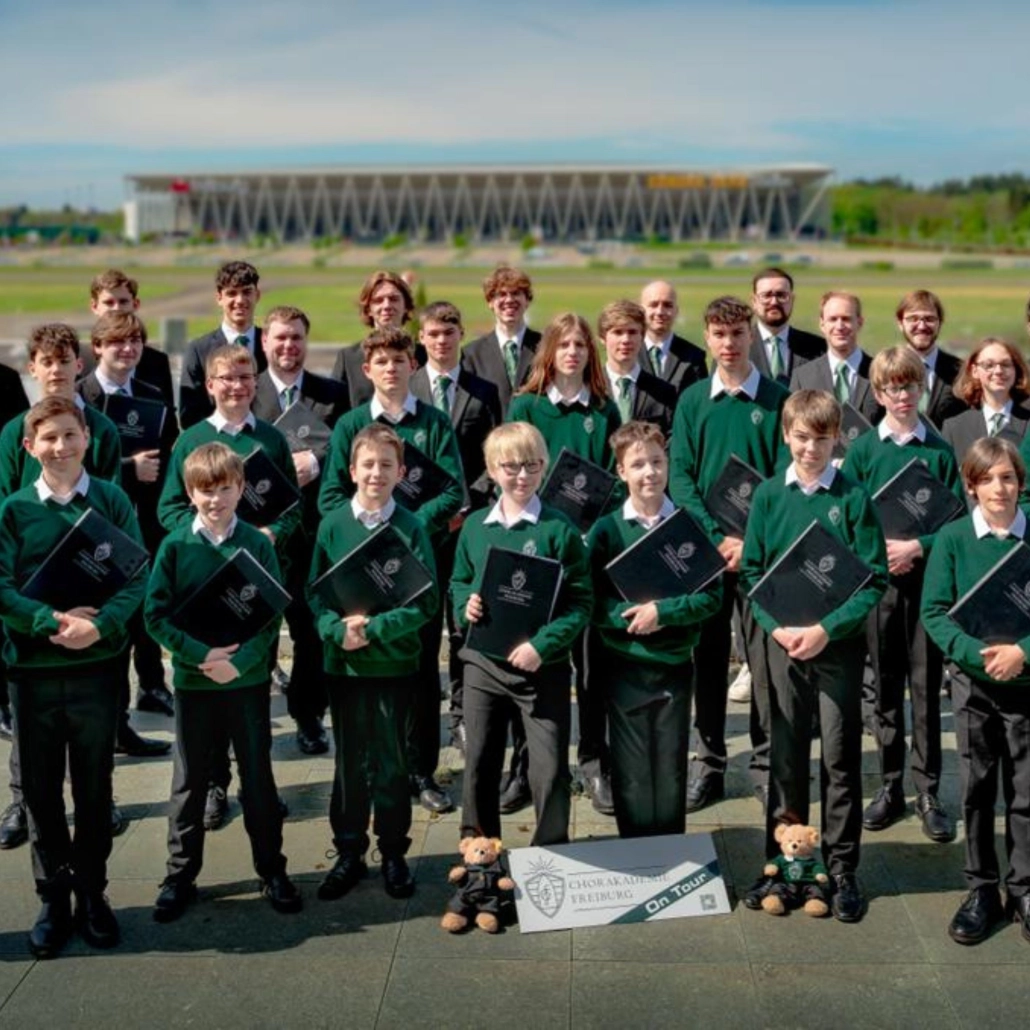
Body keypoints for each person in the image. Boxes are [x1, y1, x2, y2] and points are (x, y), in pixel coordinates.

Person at [0, 396, 147, 958]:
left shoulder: (111, 499)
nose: (60, 447)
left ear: (87, 437)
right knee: (40, 792)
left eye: (69, 435)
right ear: (29, 446)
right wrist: (50, 621)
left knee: (93, 785)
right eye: (48, 438)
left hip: (96, 668)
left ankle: (92, 893)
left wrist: (100, 625)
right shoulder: (13, 510)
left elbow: (136, 575)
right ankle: (53, 897)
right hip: (32, 671)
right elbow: (2, 587)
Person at [740, 390, 887, 923]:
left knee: (840, 758)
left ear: (836, 439)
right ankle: (785, 863)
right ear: (786, 436)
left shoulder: (853, 497)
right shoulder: (767, 496)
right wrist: (778, 630)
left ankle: (841, 868)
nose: (811, 448)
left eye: (822, 439)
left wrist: (827, 629)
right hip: (783, 647)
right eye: (801, 437)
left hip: (835, 649)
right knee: (785, 756)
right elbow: (752, 573)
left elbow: (873, 578)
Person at [145, 443, 301, 922]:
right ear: (190, 492)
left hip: (245, 683)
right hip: (194, 685)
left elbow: (270, 614)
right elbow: (155, 616)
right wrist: (199, 656)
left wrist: (243, 662)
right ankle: (179, 876)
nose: (216, 500)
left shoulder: (257, 543)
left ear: (241, 489)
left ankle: (272, 869)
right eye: (206, 491)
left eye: (226, 489)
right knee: (189, 784)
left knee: (258, 779)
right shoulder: (176, 546)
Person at [319, 326, 464, 812]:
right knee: (366, 666)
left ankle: (420, 770)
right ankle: (367, 768)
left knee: (418, 671)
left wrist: (404, 526)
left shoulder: (434, 422)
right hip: (362, 570)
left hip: (416, 567)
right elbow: (331, 495)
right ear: (367, 370)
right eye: (381, 361)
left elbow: (453, 490)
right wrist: (368, 537)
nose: (391, 369)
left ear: (413, 366)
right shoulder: (351, 425)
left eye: (400, 360)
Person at [159, 345, 301, 830]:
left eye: (245, 376)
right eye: (226, 378)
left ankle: (258, 784)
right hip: (204, 588)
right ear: (210, 385)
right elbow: (169, 508)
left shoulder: (271, 439)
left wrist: (270, 533)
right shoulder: (191, 440)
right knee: (210, 693)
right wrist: (207, 537)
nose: (236, 385)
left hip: (254, 589)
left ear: (255, 382)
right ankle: (216, 784)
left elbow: (293, 507)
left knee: (251, 689)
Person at [307, 424, 438, 901]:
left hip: (394, 665)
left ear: (401, 472)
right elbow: (315, 595)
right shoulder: (332, 525)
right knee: (349, 763)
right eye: (368, 464)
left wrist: (374, 629)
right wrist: (336, 630)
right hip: (344, 667)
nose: (376, 473)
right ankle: (348, 850)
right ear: (351, 470)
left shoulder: (411, 526)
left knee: (391, 762)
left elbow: (426, 602)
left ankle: (393, 851)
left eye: (386, 465)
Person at [669, 296, 788, 814]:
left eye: (738, 333)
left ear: (751, 336)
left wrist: (747, 542)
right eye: (719, 334)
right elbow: (681, 477)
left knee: (763, 663)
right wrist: (716, 538)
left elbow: (783, 479)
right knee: (710, 661)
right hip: (707, 555)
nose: (729, 343)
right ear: (708, 337)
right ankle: (710, 762)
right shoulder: (693, 400)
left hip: (760, 556)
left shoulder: (778, 399)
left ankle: (765, 764)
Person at [842, 346, 964, 842]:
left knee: (926, 689)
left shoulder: (938, 451)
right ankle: (890, 785)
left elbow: (956, 522)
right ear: (878, 393)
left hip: (926, 587)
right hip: (881, 587)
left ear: (922, 388)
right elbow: (849, 519)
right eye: (892, 388)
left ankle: (928, 791)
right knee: (885, 690)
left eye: (910, 386)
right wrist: (882, 552)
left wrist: (918, 546)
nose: (902, 396)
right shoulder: (863, 452)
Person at [451, 422, 593, 846]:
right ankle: (479, 853)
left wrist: (542, 646)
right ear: (492, 469)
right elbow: (459, 581)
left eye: (532, 465)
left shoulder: (559, 529)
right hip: (483, 664)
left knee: (549, 770)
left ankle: (551, 852)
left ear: (545, 466)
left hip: (542, 669)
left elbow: (580, 602)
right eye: (510, 466)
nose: (522, 476)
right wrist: (464, 606)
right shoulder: (475, 527)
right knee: (480, 761)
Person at [508, 313, 621, 812]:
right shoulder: (526, 406)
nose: (572, 352)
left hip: (588, 553)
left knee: (592, 668)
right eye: (564, 344)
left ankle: (595, 764)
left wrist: (593, 531)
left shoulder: (604, 408)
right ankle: (525, 768)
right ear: (549, 351)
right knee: (530, 663)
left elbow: (615, 485)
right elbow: (510, 474)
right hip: (538, 552)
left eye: (581, 345)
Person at [587, 421, 722, 837]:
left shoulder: (688, 525)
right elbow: (591, 600)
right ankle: (634, 850)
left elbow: (711, 598)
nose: (650, 472)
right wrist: (629, 617)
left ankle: (670, 846)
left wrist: (662, 613)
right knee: (631, 769)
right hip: (623, 665)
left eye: (657, 462)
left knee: (669, 766)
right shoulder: (608, 530)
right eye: (638, 464)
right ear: (621, 472)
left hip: (675, 664)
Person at [921, 437, 1030, 945]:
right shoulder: (952, 538)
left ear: (1021, 484)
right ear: (971, 486)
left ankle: (1024, 888)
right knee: (978, 791)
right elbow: (934, 611)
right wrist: (978, 655)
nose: (999, 488)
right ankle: (982, 889)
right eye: (987, 479)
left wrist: (1022, 653)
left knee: (1026, 793)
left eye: (1008, 478)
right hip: (974, 687)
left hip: (1026, 685)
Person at [251, 305, 348, 756]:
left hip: (314, 534)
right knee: (260, 628)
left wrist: (318, 460)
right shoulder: (247, 391)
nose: (288, 346)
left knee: (311, 632)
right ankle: (254, 718)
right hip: (263, 535)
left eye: (296, 337)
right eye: (280, 337)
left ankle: (309, 715)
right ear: (264, 342)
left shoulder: (332, 394)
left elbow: (349, 448)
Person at [410, 301, 502, 759]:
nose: (441, 341)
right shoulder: (408, 389)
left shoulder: (484, 391)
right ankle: (423, 717)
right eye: (432, 333)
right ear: (421, 338)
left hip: (469, 523)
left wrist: (467, 505)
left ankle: (463, 715)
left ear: (461, 334)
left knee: (464, 622)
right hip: (423, 530)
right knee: (426, 628)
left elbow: (495, 454)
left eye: (448, 332)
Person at [79, 312, 178, 721]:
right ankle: (114, 713)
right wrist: (129, 467)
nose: (128, 348)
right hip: (98, 524)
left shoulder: (152, 395)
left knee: (148, 601)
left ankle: (152, 685)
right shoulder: (80, 397)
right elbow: (74, 462)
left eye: (135, 340)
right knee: (112, 613)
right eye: (118, 341)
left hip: (147, 518)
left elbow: (170, 453)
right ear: (97, 347)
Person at [179, 261, 266, 429]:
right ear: (219, 298)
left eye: (247, 292)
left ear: (257, 295)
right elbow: (189, 416)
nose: (240, 300)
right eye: (232, 293)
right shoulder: (198, 350)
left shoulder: (274, 347)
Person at [330, 270, 424, 409]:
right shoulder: (348, 358)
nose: (387, 306)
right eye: (378, 300)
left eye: (394, 299)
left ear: (406, 306)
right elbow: (334, 411)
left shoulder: (425, 356)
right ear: (368, 309)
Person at [83, 269, 176, 407]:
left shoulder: (157, 362)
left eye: (123, 302)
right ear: (94, 306)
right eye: (109, 303)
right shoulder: (78, 360)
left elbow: (166, 415)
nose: (116, 309)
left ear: (135, 304)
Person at [789, 291, 882, 428]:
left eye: (846, 319)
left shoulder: (880, 372)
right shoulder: (802, 377)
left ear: (860, 322)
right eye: (833, 319)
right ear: (822, 324)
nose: (839, 326)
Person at [461, 266, 541, 413]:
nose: (509, 300)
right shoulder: (471, 355)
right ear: (490, 302)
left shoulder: (546, 347)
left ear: (527, 300)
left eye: (516, 293)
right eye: (501, 294)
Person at [942, 338, 1030, 467]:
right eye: (989, 365)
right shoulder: (954, 428)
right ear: (975, 371)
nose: (998, 371)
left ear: (1016, 370)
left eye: (1006, 364)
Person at [600, 299, 678, 436]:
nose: (626, 340)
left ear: (642, 337)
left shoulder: (664, 393)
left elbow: (671, 439)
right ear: (602, 338)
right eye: (618, 332)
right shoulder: (589, 388)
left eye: (632, 332)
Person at [896, 289, 966, 430]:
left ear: (940, 323)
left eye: (929, 319)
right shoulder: (884, 369)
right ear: (900, 323)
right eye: (913, 319)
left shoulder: (961, 371)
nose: (922, 326)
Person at [748, 267, 825, 385]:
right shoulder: (736, 347)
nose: (774, 302)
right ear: (754, 301)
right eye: (766, 295)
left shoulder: (819, 348)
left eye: (781, 295)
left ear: (792, 299)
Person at [639, 280, 707, 395]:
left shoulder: (694, 357)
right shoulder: (628, 353)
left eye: (667, 305)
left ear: (676, 311)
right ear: (641, 310)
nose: (660, 312)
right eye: (653, 305)